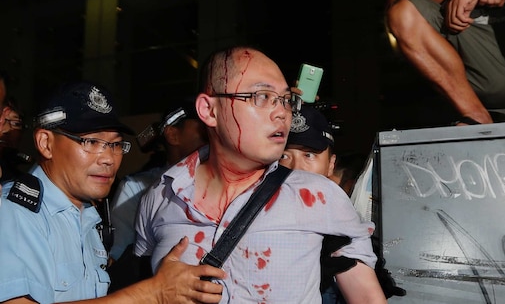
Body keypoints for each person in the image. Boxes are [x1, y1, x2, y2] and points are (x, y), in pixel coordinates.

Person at [134, 46, 387, 304]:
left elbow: (367, 299)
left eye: (286, 100)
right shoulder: (161, 195)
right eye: (262, 96)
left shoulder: (320, 196)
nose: (282, 113)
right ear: (210, 111)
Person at [0, 80, 225, 304]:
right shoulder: (14, 213)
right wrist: (153, 293)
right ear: (45, 143)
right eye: (91, 142)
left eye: (115, 145)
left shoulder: (88, 217)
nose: (109, 158)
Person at [281, 105, 405, 303]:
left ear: (331, 164)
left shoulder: (342, 222)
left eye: (309, 155)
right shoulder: (243, 205)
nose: (296, 168)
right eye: (283, 156)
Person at [109, 97, 208, 264]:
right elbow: (118, 258)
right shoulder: (135, 189)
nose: (211, 129)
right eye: (201, 124)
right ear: (173, 135)